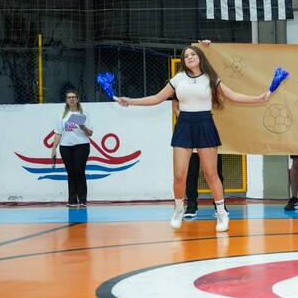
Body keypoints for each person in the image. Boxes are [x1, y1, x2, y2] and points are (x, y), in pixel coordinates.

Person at [115, 42, 269, 231]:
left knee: (211, 174)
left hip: (205, 124)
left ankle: (221, 213)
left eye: (192, 54)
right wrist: (130, 101)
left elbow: (233, 96)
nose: (189, 57)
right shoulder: (178, 79)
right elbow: (156, 98)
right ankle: (179, 209)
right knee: (180, 174)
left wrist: (257, 98)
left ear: (200, 57)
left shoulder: (210, 78)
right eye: (186, 56)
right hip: (184, 126)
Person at [171, 99, 226, 218]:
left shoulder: (211, 88)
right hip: (188, 131)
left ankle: (220, 207)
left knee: (214, 172)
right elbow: (174, 104)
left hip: (206, 130)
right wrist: (186, 118)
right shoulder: (180, 87)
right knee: (189, 172)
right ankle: (191, 205)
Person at [51, 89, 93, 207]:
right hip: (66, 147)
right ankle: (72, 200)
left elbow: (90, 133)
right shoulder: (62, 116)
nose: (71, 99)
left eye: (74, 97)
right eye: (69, 97)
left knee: (79, 171)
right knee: (71, 173)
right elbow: (58, 133)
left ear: (77, 99)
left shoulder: (83, 115)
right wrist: (54, 149)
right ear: (66, 100)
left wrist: (83, 127)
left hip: (81, 145)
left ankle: (82, 200)